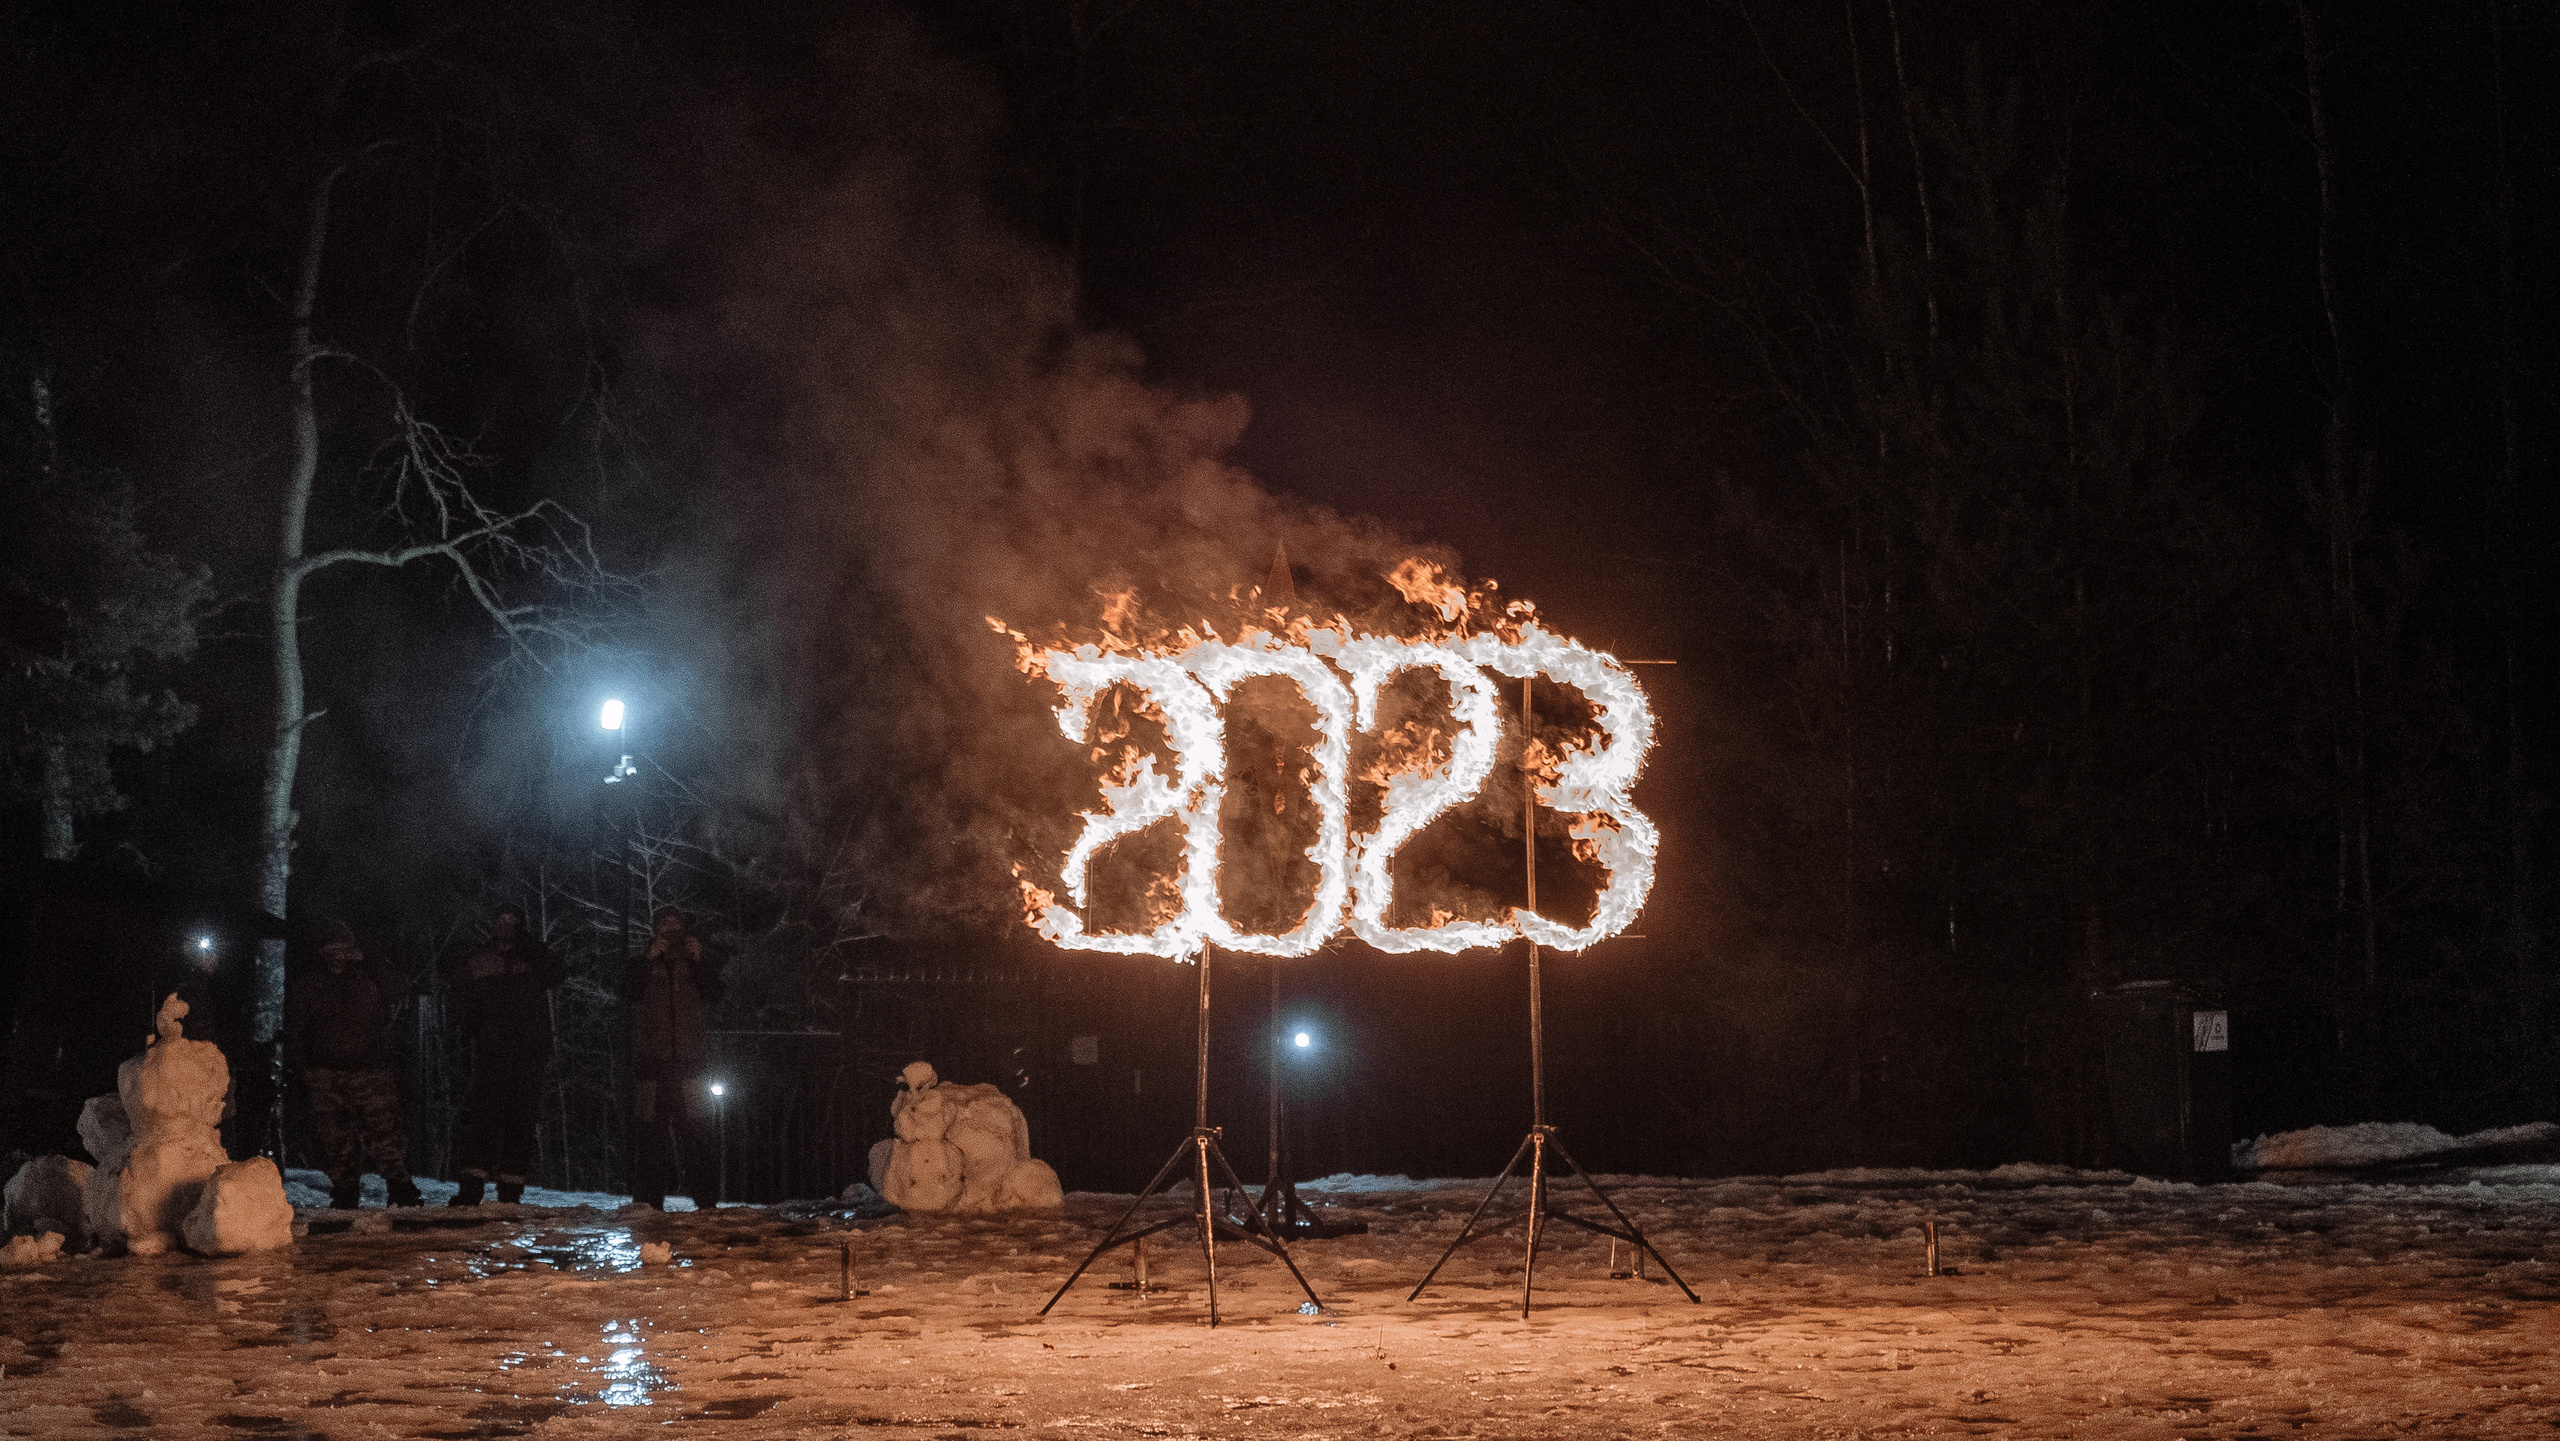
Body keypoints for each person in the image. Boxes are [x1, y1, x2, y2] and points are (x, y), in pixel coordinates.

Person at [284, 923, 421, 1209]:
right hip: (324, 1072)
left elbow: (398, 989)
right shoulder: (309, 983)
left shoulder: (368, 975)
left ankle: (400, 1186)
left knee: (384, 1130)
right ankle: (345, 1190)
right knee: (335, 1136)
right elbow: (296, 1027)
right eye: (330, 949)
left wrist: (371, 959)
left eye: (343, 949)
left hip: (369, 1068)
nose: (337, 955)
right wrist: (304, 1068)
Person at [444, 903, 564, 1205]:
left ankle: (510, 1190)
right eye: (502, 921)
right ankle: (472, 1187)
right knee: (484, 1117)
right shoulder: (480, 959)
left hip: (529, 1052)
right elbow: (459, 996)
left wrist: (533, 950)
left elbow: (557, 973)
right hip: (493, 1051)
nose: (507, 927)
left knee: (520, 1119)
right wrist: (478, 1030)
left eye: (513, 922)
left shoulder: (532, 957)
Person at [624, 905, 724, 1210]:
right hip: (652, 1066)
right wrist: (646, 960)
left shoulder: (697, 964)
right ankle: (648, 1201)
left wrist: (701, 960)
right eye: (664, 924)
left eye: (676, 923)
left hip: (691, 1064)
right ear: (655, 930)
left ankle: (705, 1200)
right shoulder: (642, 963)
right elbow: (626, 992)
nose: (671, 930)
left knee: (696, 1134)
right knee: (651, 1136)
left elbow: (716, 993)